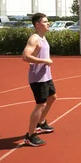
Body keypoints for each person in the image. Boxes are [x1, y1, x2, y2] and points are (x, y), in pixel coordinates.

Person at [22, 13, 57, 146]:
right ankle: (30, 136)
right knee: (41, 104)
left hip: (46, 76)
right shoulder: (34, 38)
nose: (48, 23)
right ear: (37, 24)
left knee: (52, 97)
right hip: (38, 78)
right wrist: (44, 61)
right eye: (45, 21)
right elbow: (25, 56)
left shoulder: (43, 38)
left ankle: (41, 123)